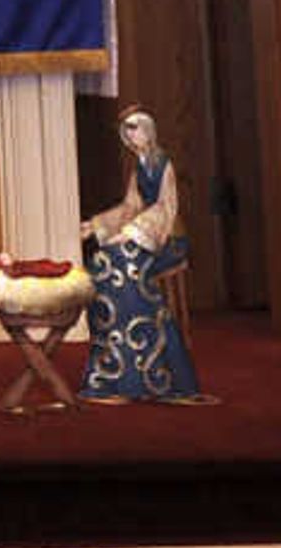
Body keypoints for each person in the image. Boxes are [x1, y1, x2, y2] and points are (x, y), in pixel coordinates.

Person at [78, 108, 205, 403]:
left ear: (148, 130)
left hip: (167, 240)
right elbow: (130, 206)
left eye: (135, 128)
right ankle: (114, 369)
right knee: (103, 263)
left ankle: (151, 366)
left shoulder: (163, 165)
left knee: (124, 268)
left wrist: (133, 232)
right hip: (142, 236)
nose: (131, 135)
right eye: (127, 130)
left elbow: (165, 209)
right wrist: (96, 225)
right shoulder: (138, 168)